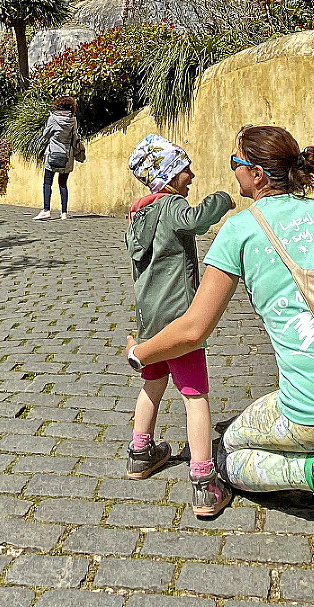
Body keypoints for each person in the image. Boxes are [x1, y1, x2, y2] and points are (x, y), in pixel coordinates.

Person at [125, 125, 314, 565]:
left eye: (236, 164)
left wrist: (141, 352)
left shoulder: (240, 231)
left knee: (229, 452)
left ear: (259, 176)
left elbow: (193, 330)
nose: (232, 173)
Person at [124, 134, 236, 518]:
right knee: (195, 396)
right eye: (185, 168)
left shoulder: (138, 214)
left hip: (148, 321)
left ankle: (141, 451)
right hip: (178, 320)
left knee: (151, 385)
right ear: (169, 176)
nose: (191, 175)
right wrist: (222, 198)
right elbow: (197, 220)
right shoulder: (172, 206)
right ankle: (204, 482)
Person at [34, 96, 84, 221]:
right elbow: (74, 136)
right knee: (63, 184)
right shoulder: (73, 120)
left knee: (47, 182)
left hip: (52, 154)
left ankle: (46, 210)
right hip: (67, 156)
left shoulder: (53, 118)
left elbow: (46, 135)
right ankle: (64, 213)